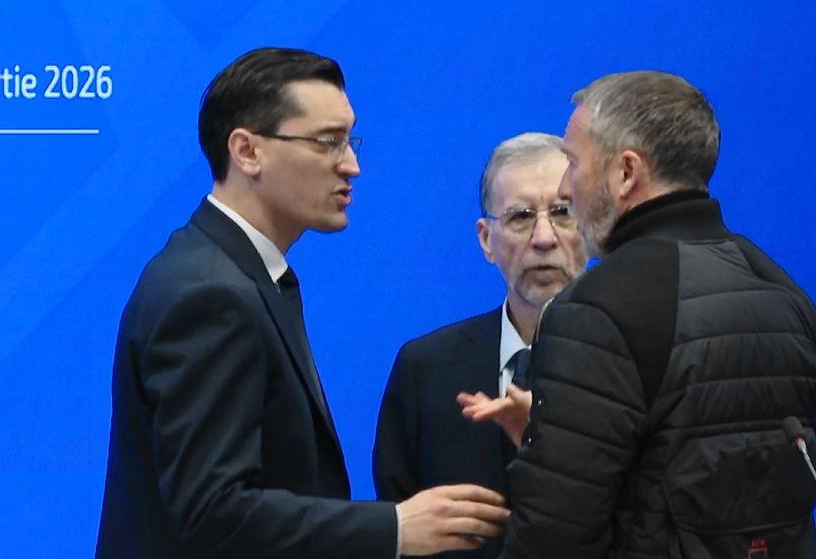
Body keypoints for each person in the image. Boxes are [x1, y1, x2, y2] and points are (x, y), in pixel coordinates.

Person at [95, 47, 508, 559]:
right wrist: (395, 527)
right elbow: (213, 515)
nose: (352, 166)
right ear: (247, 151)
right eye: (327, 142)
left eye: (350, 140)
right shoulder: (211, 294)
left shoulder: (232, 272)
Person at [460, 71, 816, 558]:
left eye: (573, 162)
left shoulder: (594, 310)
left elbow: (554, 537)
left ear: (626, 173)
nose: (567, 186)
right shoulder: (786, 295)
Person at [372, 133, 587, 559]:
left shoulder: (637, 364)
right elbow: (397, 525)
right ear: (486, 239)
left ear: (592, 226)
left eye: (563, 213)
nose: (544, 237)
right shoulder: (425, 369)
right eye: (521, 217)